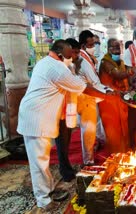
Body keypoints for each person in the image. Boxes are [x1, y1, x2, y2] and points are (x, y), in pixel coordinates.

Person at [17, 40, 110, 212]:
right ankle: (43, 199)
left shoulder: (46, 62)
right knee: (39, 161)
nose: (71, 59)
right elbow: (83, 88)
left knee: (42, 159)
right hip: (36, 118)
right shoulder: (57, 68)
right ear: (60, 55)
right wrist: (111, 97)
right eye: (69, 56)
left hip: (38, 115)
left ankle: (49, 190)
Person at [77, 30, 110, 166]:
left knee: (95, 125)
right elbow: (95, 82)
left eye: (95, 43)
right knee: (88, 129)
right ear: (84, 45)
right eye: (91, 44)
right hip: (85, 98)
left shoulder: (88, 58)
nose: (94, 46)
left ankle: (97, 145)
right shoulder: (82, 60)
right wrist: (110, 93)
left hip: (92, 96)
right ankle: (88, 160)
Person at [99, 38, 133, 155]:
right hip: (109, 102)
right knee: (113, 129)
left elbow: (125, 79)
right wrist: (131, 71)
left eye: (118, 47)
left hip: (121, 99)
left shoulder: (121, 62)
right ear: (108, 49)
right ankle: (115, 155)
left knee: (124, 127)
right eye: (114, 47)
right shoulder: (105, 62)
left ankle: (124, 153)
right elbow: (117, 75)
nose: (117, 50)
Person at [54, 38, 81, 183]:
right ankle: (65, 171)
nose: (74, 56)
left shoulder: (70, 66)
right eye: (71, 54)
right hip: (58, 111)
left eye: (75, 53)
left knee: (66, 141)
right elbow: (79, 86)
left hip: (66, 109)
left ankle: (66, 168)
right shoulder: (59, 67)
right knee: (61, 142)